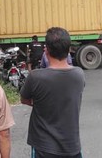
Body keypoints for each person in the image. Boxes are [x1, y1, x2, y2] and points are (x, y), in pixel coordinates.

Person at [21, 27, 85, 158]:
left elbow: (24, 99)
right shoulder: (79, 74)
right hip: (71, 146)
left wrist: (43, 103)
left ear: (46, 50)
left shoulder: (35, 77)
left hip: (43, 148)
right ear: (68, 51)